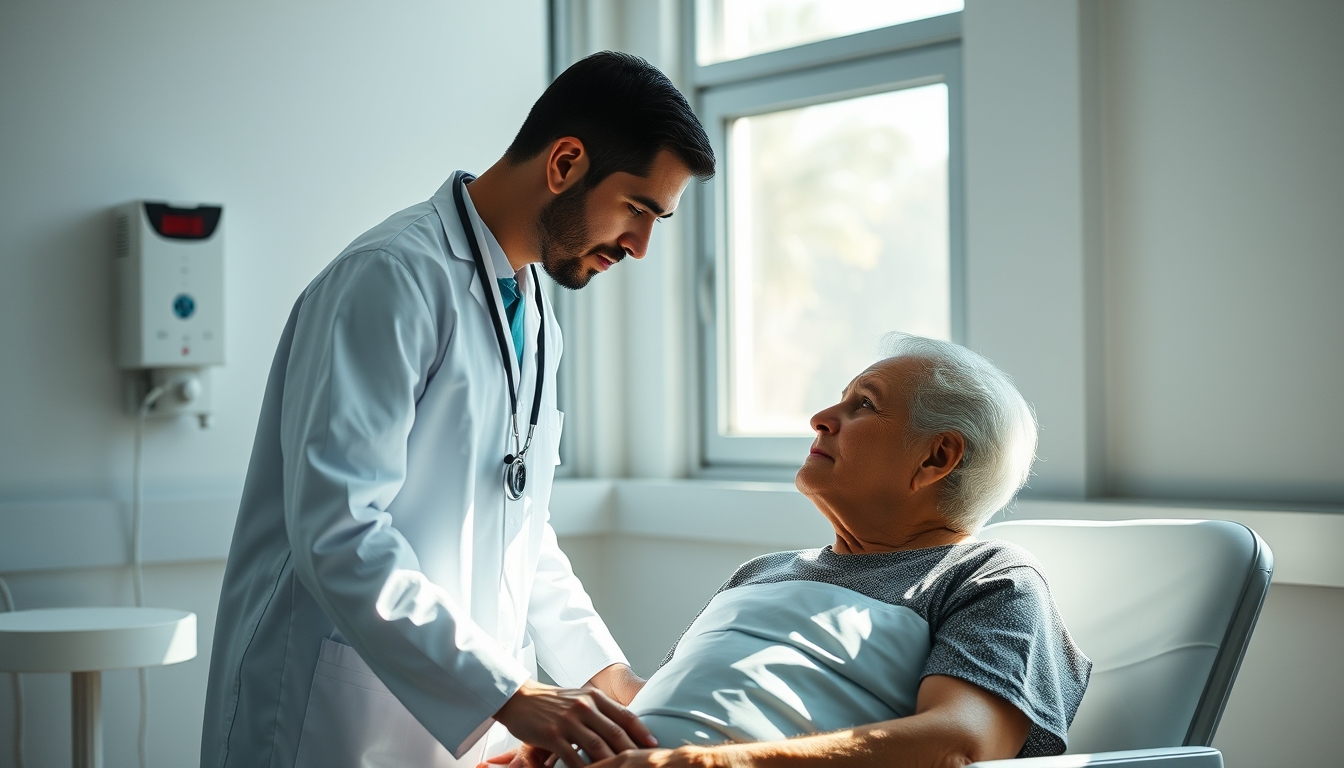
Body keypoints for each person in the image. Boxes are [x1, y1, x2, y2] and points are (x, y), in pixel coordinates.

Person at [200, 51, 714, 768]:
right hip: (327, 721)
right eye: (637, 209)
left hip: (460, 723)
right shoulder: (388, 279)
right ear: (565, 164)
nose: (640, 245)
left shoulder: (535, 317)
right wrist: (507, 693)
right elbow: (338, 529)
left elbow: (522, 531)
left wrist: (606, 676)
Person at [502, 334, 1091, 768]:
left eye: (863, 404)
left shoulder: (987, 577)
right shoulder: (762, 573)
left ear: (936, 459)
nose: (821, 418)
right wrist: (587, 739)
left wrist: (708, 766)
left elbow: (958, 744)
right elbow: (683, 708)